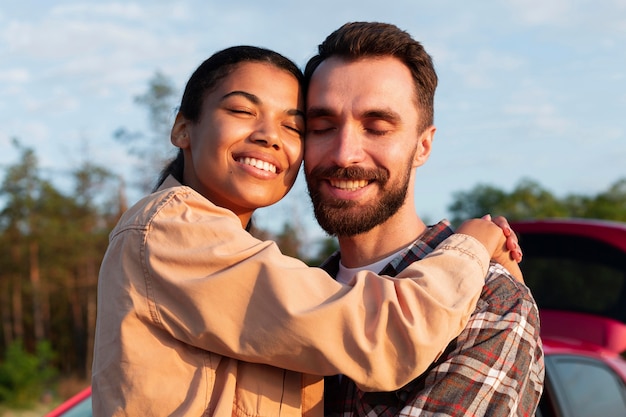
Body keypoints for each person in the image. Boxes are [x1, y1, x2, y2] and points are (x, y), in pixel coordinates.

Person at [91, 45, 522, 417]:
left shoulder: (279, 275)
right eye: (242, 110)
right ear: (182, 127)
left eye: (293, 126)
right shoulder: (172, 233)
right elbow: (384, 337)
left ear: (423, 144)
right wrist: (473, 245)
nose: (268, 137)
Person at [302, 22, 544, 416]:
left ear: (423, 145)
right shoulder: (295, 294)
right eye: (322, 127)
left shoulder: (491, 302)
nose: (345, 154)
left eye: (377, 128)